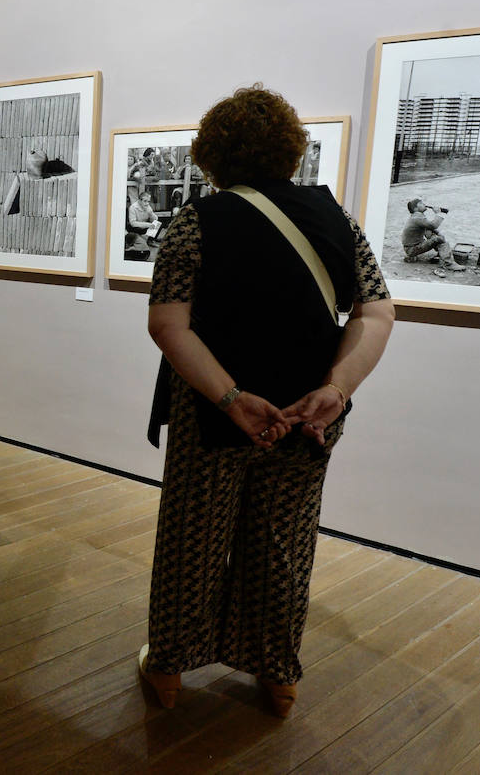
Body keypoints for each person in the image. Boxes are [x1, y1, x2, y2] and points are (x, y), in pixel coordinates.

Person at [140, 85, 394, 718]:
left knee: (192, 540)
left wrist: (230, 398)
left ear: (211, 155)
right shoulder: (337, 220)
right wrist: (338, 389)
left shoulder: (196, 221)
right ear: (291, 149)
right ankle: (278, 677)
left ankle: (169, 668)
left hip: (213, 413)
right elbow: (378, 311)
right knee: (284, 545)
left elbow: (169, 325)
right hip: (308, 413)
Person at [400, 197, 466, 273]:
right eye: (421, 203)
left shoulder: (416, 216)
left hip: (411, 248)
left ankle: (441, 254)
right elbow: (433, 225)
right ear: (415, 208)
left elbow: (429, 228)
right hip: (412, 249)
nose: (424, 204)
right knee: (439, 240)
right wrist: (439, 213)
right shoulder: (417, 217)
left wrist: (437, 233)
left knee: (432, 233)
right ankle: (448, 263)